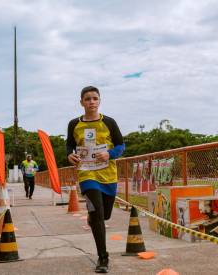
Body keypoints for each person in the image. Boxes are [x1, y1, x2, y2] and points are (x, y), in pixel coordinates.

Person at [66, 86, 125, 273]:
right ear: (81, 102)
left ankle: (94, 218)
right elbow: (69, 144)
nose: (91, 102)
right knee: (98, 215)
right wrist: (70, 155)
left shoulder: (109, 122)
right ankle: (103, 257)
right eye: (87, 99)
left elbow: (121, 145)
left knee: (104, 215)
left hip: (107, 175)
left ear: (99, 101)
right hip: (87, 174)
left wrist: (110, 154)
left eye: (94, 98)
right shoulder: (74, 124)